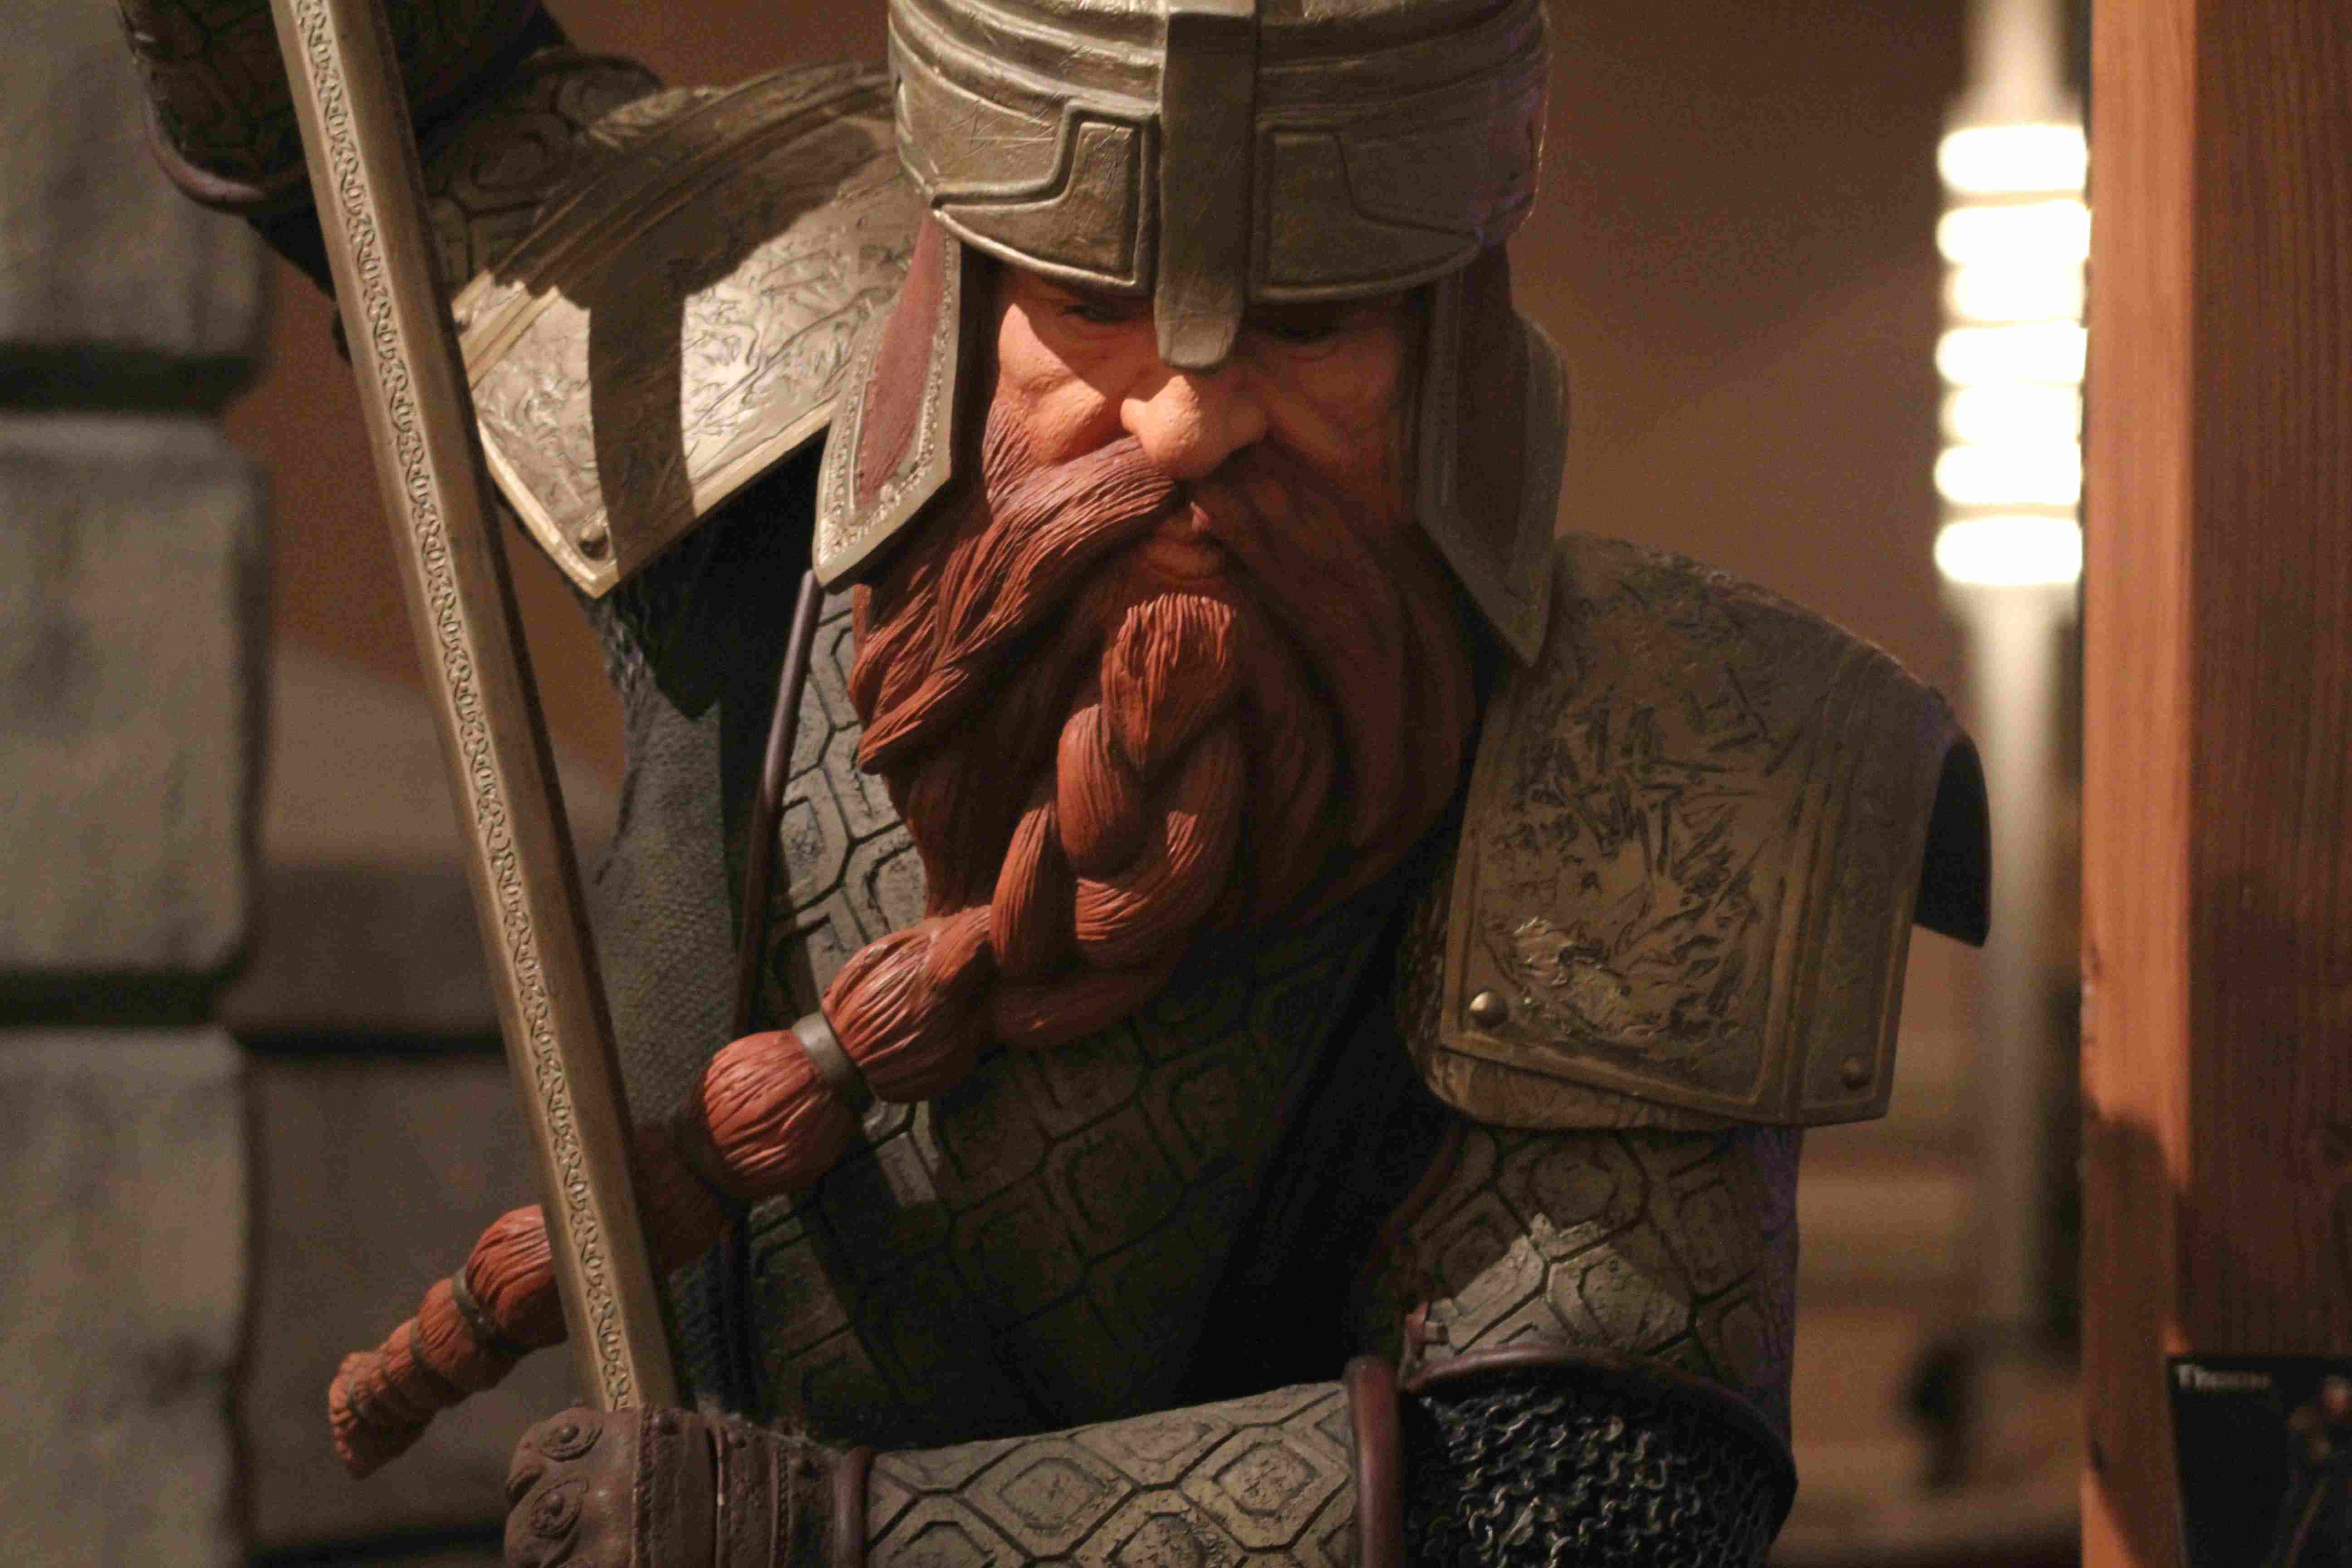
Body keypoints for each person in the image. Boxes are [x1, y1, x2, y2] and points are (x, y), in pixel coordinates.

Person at [122, 0, 1989, 1560]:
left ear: (1451, 337)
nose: (1186, 417)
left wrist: (841, 1535)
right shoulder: (749, 464)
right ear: (950, 302)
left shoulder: (1659, 766)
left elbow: (1585, 1490)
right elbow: (353, 108)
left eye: (1312, 329)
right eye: (1090, 310)